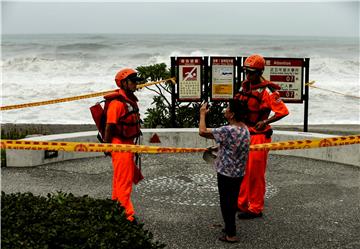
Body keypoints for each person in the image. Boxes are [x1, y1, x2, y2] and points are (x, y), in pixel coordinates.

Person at [235, 54, 289, 219]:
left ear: (259, 72)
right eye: (246, 72)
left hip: (259, 136)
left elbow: (283, 111)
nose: (248, 75)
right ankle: (242, 203)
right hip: (244, 133)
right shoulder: (245, 87)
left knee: (255, 173)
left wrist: (265, 121)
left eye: (251, 72)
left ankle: (256, 208)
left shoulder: (268, 91)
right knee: (243, 171)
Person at [199, 99, 250, 243]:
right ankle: (229, 226)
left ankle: (231, 234)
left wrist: (202, 114)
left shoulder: (227, 130)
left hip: (226, 173)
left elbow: (202, 131)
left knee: (226, 202)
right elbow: (235, 146)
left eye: (227, 108)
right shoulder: (244, 129)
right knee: (232, 201)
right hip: (239, 172)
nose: (225, 110)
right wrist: (218, 148)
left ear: (232, 114)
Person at [104, 68, 144, 222]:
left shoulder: (128, 100)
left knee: (120, 179)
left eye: (136, 82)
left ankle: (116, 208)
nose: (136, 85)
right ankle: (127, 216)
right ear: (123, 83)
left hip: (127, 144)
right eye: (133, 82)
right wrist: (108, 147)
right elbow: (110, 126)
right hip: (119, 145)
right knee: (124, 182)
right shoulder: (116, 103)